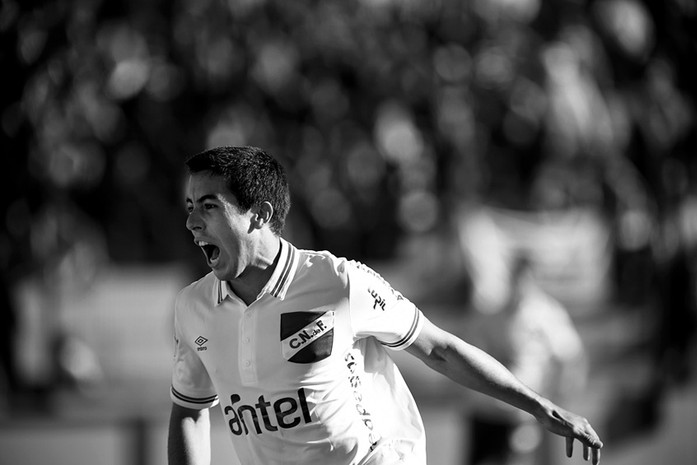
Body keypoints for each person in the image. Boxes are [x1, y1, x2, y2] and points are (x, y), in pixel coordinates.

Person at [168, 146, 603, 465]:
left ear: (259, 214)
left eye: (209, 206)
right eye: (190, 207)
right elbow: (189, 410)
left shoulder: (338, 282)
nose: (192, 222)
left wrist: (536, 404)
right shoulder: (193, 308)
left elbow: (439, 348)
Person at [463, 252, 589, 465]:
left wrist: (562, 391)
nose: (520, 283)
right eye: (516, 276)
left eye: (525, 277)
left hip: (521, 409)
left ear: (534, 279)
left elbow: (570, 355)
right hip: (486, 406)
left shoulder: (546, 314)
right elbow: (476, 350)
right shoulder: (494, 312)